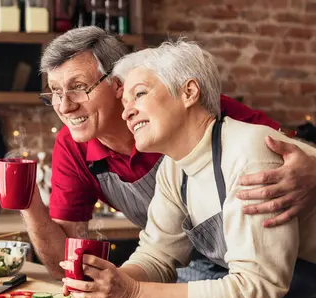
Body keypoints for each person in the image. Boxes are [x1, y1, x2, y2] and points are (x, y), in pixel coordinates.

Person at [24, 26, 316, 282]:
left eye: (78, 87)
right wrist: (29, 202)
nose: (64, 106)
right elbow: (74, 260)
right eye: (55, 92)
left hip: (292, 260)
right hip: (198, 264)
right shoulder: (74, 147)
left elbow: (287, 148)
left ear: (117, 84)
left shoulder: (196, 115)